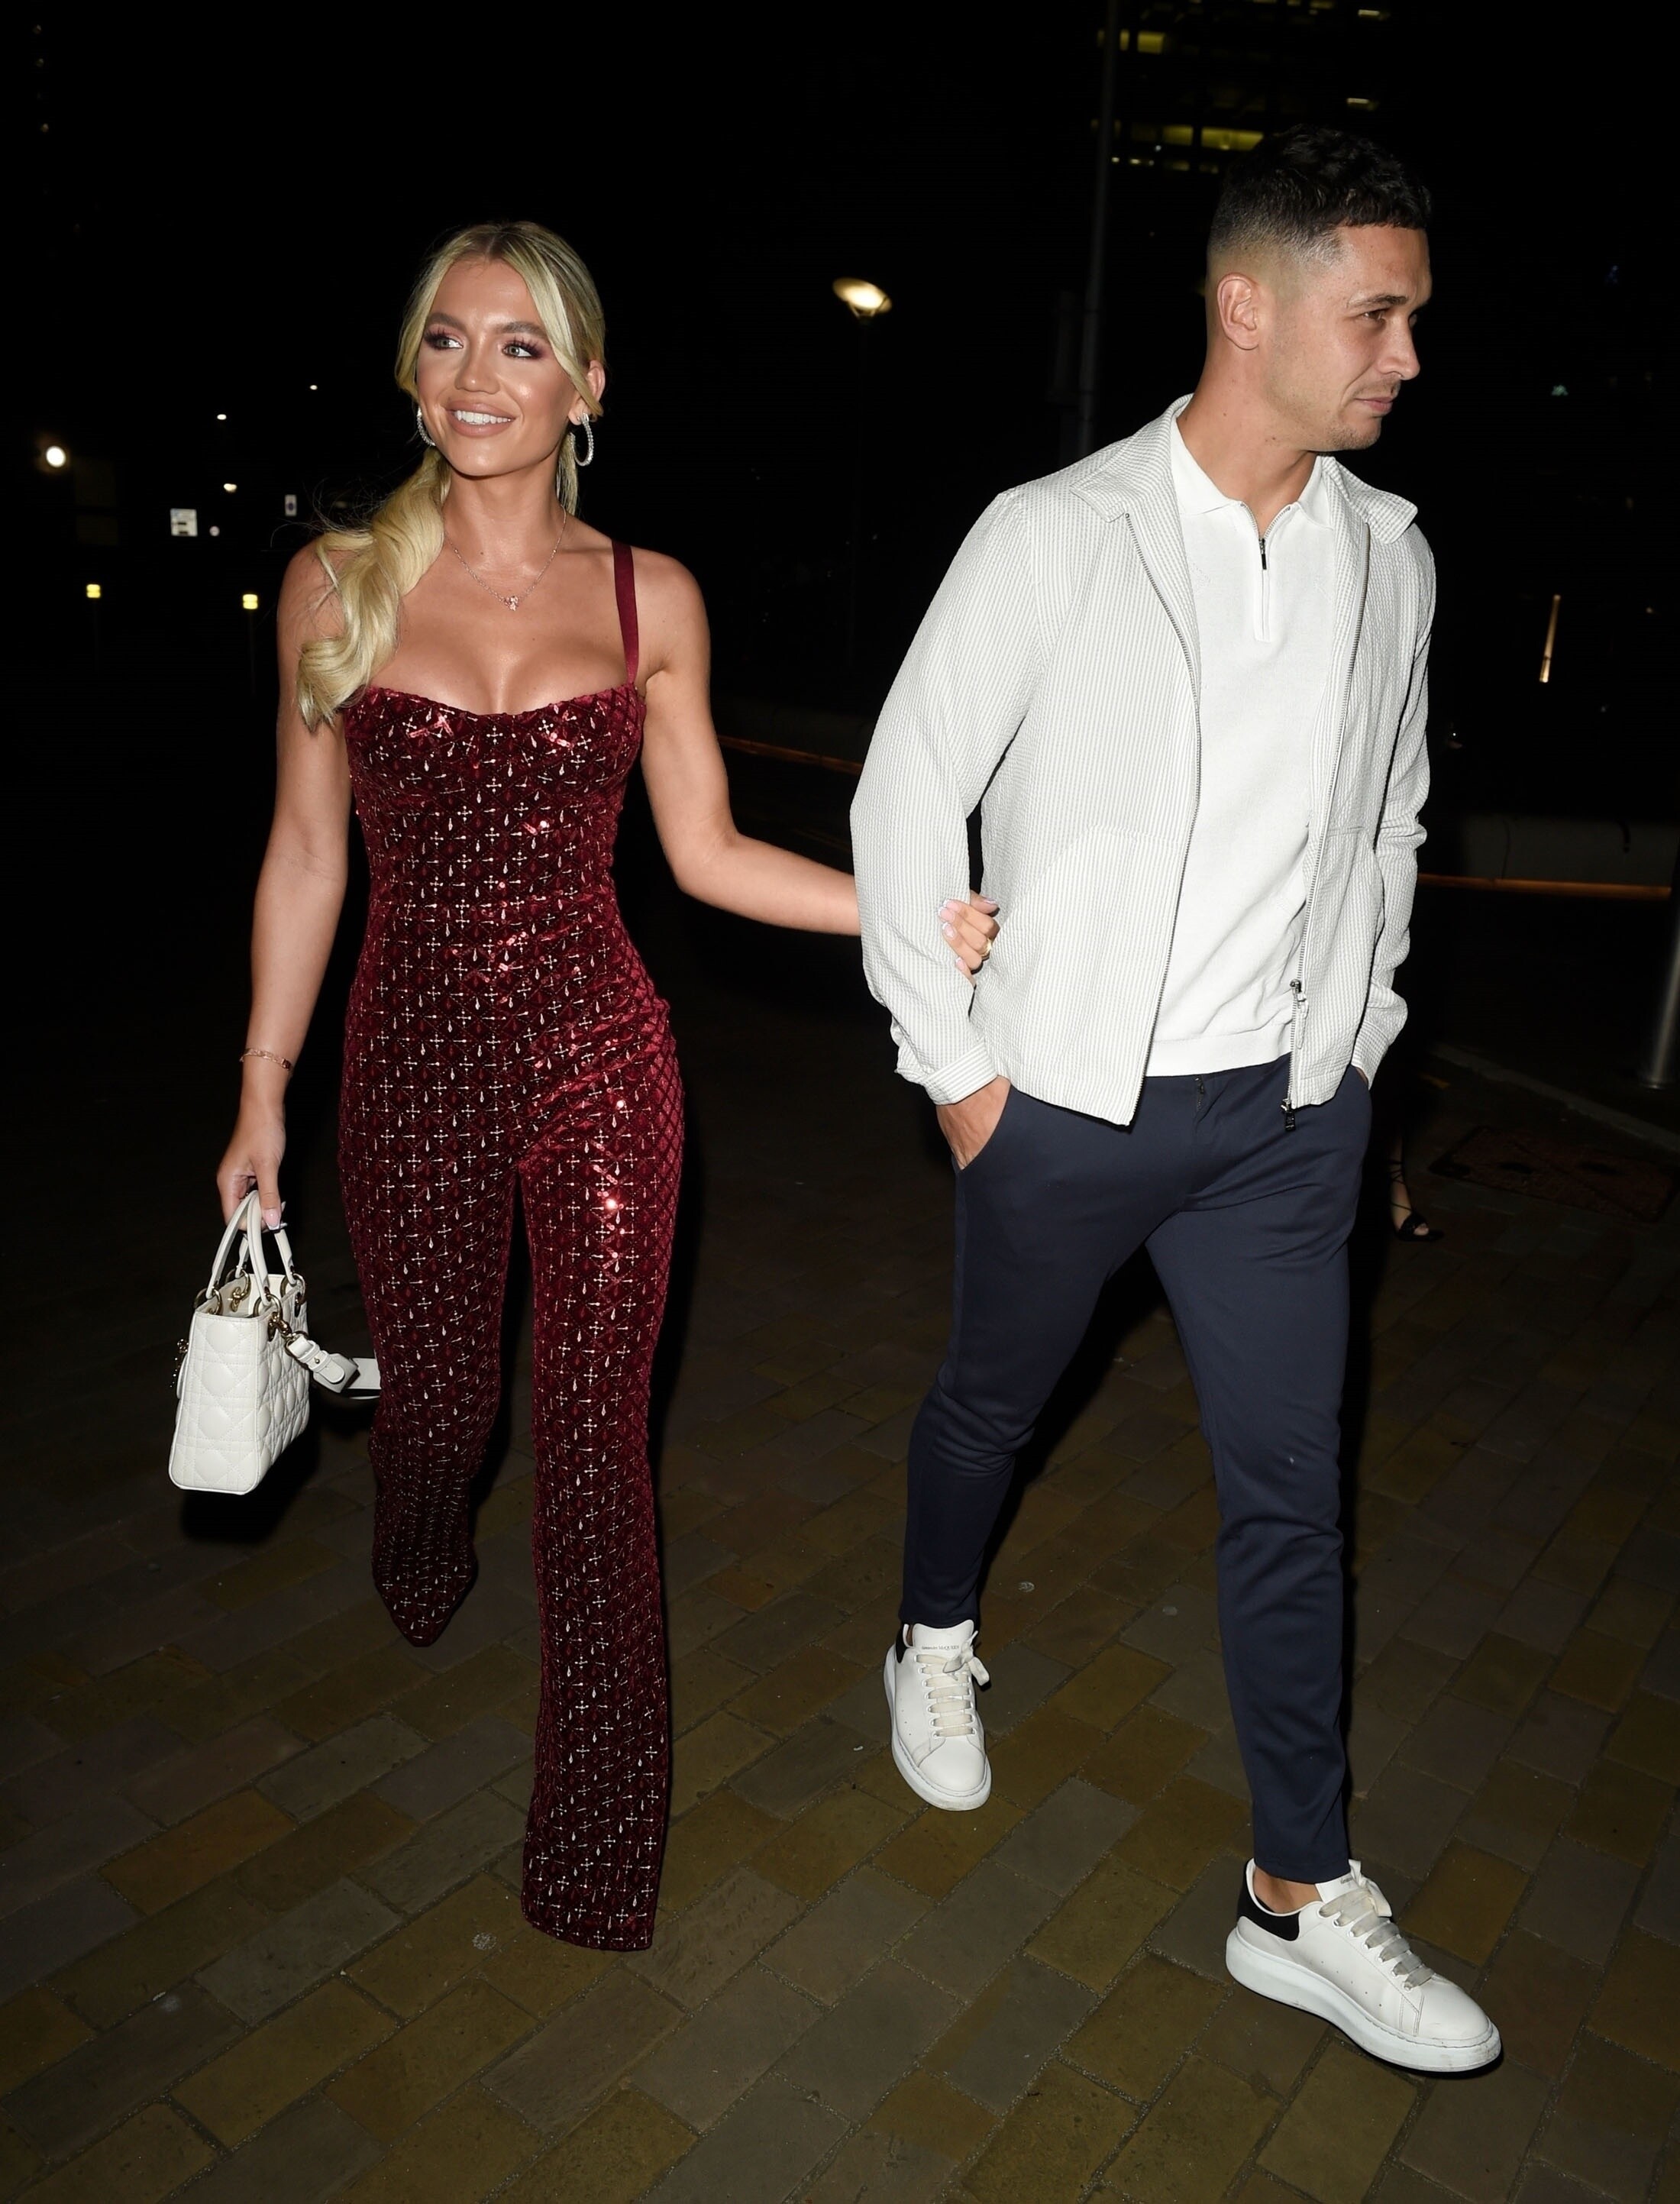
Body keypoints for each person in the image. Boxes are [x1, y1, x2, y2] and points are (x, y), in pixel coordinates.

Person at [216, 221, 999, 1952]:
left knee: (589, 1441)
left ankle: (592, 1850)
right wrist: (263, 1090)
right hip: (408, 1057)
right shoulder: (334, 585)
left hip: (599, 1055)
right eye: (446, 338)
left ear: (584, 384)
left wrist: (904, 915)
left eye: (519, 345)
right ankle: (419, 1536)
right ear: (411, 368)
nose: (474, 375)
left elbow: (706, 854)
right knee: (441, 1416)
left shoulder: (653, 597)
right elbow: (305, 856)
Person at [852, 129, 1499, 2072]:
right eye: (1372, 315)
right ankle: (931, 1633)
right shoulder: (1057, 533)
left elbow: (1389, 820)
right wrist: (962, 1077)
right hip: (1062, 1101)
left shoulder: (1390, 556)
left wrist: (1358, 1041)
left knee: (1294, 1494)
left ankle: (1295, 1894)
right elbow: (905, 793)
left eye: (1408, 319)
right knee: (991, 1405)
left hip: (1285, 1125)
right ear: (1245, 306)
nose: (1403, 355)